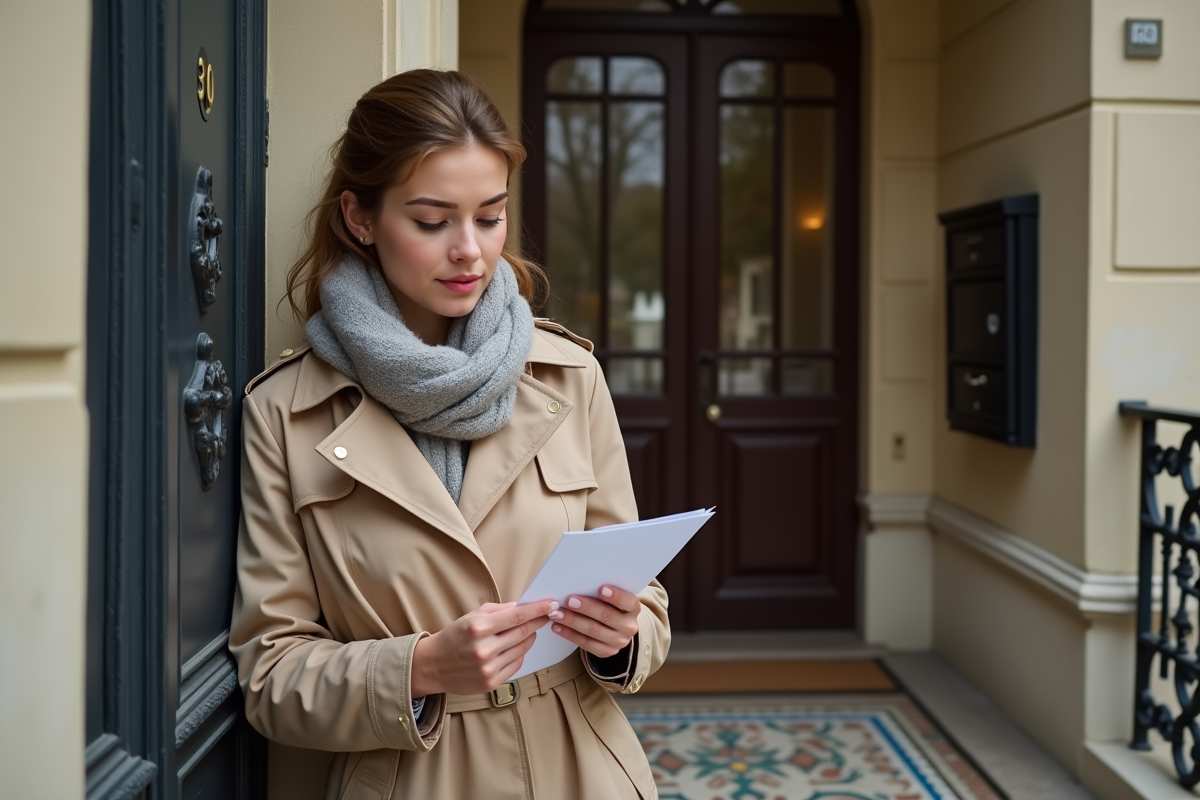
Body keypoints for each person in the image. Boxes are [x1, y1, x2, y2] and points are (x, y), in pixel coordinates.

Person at [228, 69, 669, 800]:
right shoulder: (286, 412)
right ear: (360, 217)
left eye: (490, 217)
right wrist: (422, 667)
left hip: (582, 772)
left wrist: (624, 637)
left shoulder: (568, 376)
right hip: (409, 778)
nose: (470, 249)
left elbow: (643, 597)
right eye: (433, 222)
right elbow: (270, 675)